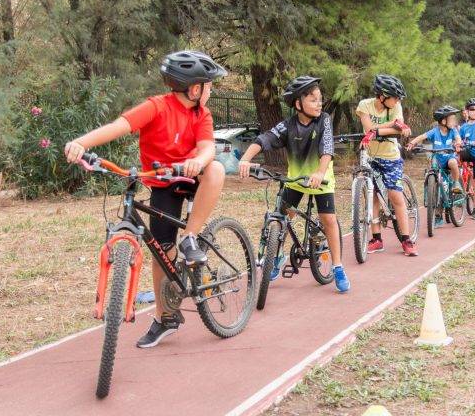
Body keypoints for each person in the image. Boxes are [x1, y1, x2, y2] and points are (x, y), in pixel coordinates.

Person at [64, 50, 228, 348]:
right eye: (209, 85)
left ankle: (191, 236)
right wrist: (80, 143)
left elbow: (208, 148)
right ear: (194, 89)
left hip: (193, 175)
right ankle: (167, 317)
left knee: (215, 168)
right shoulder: (157, 106)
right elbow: (119, 126)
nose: (211, 90)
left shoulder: (201, 114)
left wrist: (198, 160)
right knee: (162, 252)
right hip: (162, 184)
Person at [238, 76, 349, 292]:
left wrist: (319, 172)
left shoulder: (324, 119)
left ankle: (337, 267)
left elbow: (327, 148)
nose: (319, 103)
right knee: (282, 217)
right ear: (298, 104)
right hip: (296, 180)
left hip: (321, 179)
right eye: (313, 100)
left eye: (320, 99)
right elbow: (266, 138)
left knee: (328, 219)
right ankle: (275, 257)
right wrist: (246, 158)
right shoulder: (288, 126)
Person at [356, 74, 418, 256]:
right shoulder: (364, 105)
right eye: (395, 97)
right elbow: (368, 128)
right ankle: (376, 239)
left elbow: (397, 129)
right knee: (372, 195)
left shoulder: (395, 106)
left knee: (394, 194)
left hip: (390, 156)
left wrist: (377, 131)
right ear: (382, 96)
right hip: (370, 157)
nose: (398, 100)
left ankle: (406, 239)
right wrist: (389, 126)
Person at [406, 105, 463, 228]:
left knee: (453, 163)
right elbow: (422, 137)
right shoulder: (435, 131)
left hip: (448, 158)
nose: (454, 122)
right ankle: (437, 215)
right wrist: (412, 142)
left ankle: (456, 183)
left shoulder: (453, 131)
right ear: (443, 121)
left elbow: (458, 138)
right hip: (437, 159)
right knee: (437, 186)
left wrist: (458, 143)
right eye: (452, 119)